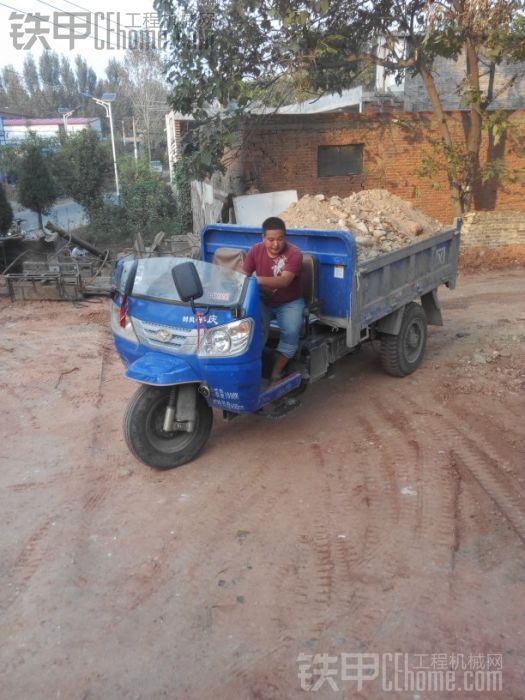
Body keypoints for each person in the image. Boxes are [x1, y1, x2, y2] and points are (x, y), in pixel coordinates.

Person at [243, 216, 304, 382]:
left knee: (291, 331)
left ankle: (276, 371)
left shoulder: (294, 253)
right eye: (270, 240)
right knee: (254, 329)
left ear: (285, 237)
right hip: (263, 300)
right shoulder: (255, 250)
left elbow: (284, 281)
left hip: (290, 302)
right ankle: (252, 368)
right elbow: (243, 276)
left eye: (280, 239)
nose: (275, 244)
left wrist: (257, 279)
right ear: (263, 238)